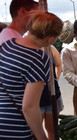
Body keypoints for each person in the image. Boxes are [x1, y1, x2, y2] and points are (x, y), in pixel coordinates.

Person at [0, 10, 63, 139]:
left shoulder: (7, 45)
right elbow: (29, 107)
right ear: (50, 38)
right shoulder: (39, 58)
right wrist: (41, 137)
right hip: (15, 128)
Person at [40, 45, 64, 140]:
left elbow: (58, 64)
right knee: (36, 132)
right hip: (37, 99)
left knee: (52, 129)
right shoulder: (29, 47)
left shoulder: (51, 48)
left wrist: (55, 79)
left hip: (53, 96)